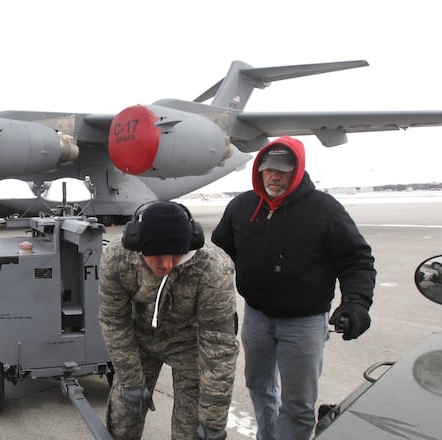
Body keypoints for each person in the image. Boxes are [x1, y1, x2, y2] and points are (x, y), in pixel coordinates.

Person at [211, 136, 376, 440]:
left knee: (298, 404)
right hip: (257, 318)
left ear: (297, 170)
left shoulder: (324, 210)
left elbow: (356, 259)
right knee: (259, 386)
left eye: (282, 170)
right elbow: (220, 254)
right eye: (267, 169)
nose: (273, 176)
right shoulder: (242, 206)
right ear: (259, 170)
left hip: (304, 323)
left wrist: (356, 302)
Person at [99, 201, 239, 440]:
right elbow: (114, 321)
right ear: (138, 247)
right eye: (157, 255)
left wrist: (213, 422)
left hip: (191, 344)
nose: (166, 264)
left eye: (176, 254)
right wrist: (131, 381)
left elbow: (218, 347)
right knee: (122, 421)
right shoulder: (117, 259)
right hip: (140, 338)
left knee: (192, 431)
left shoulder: (213, 269)